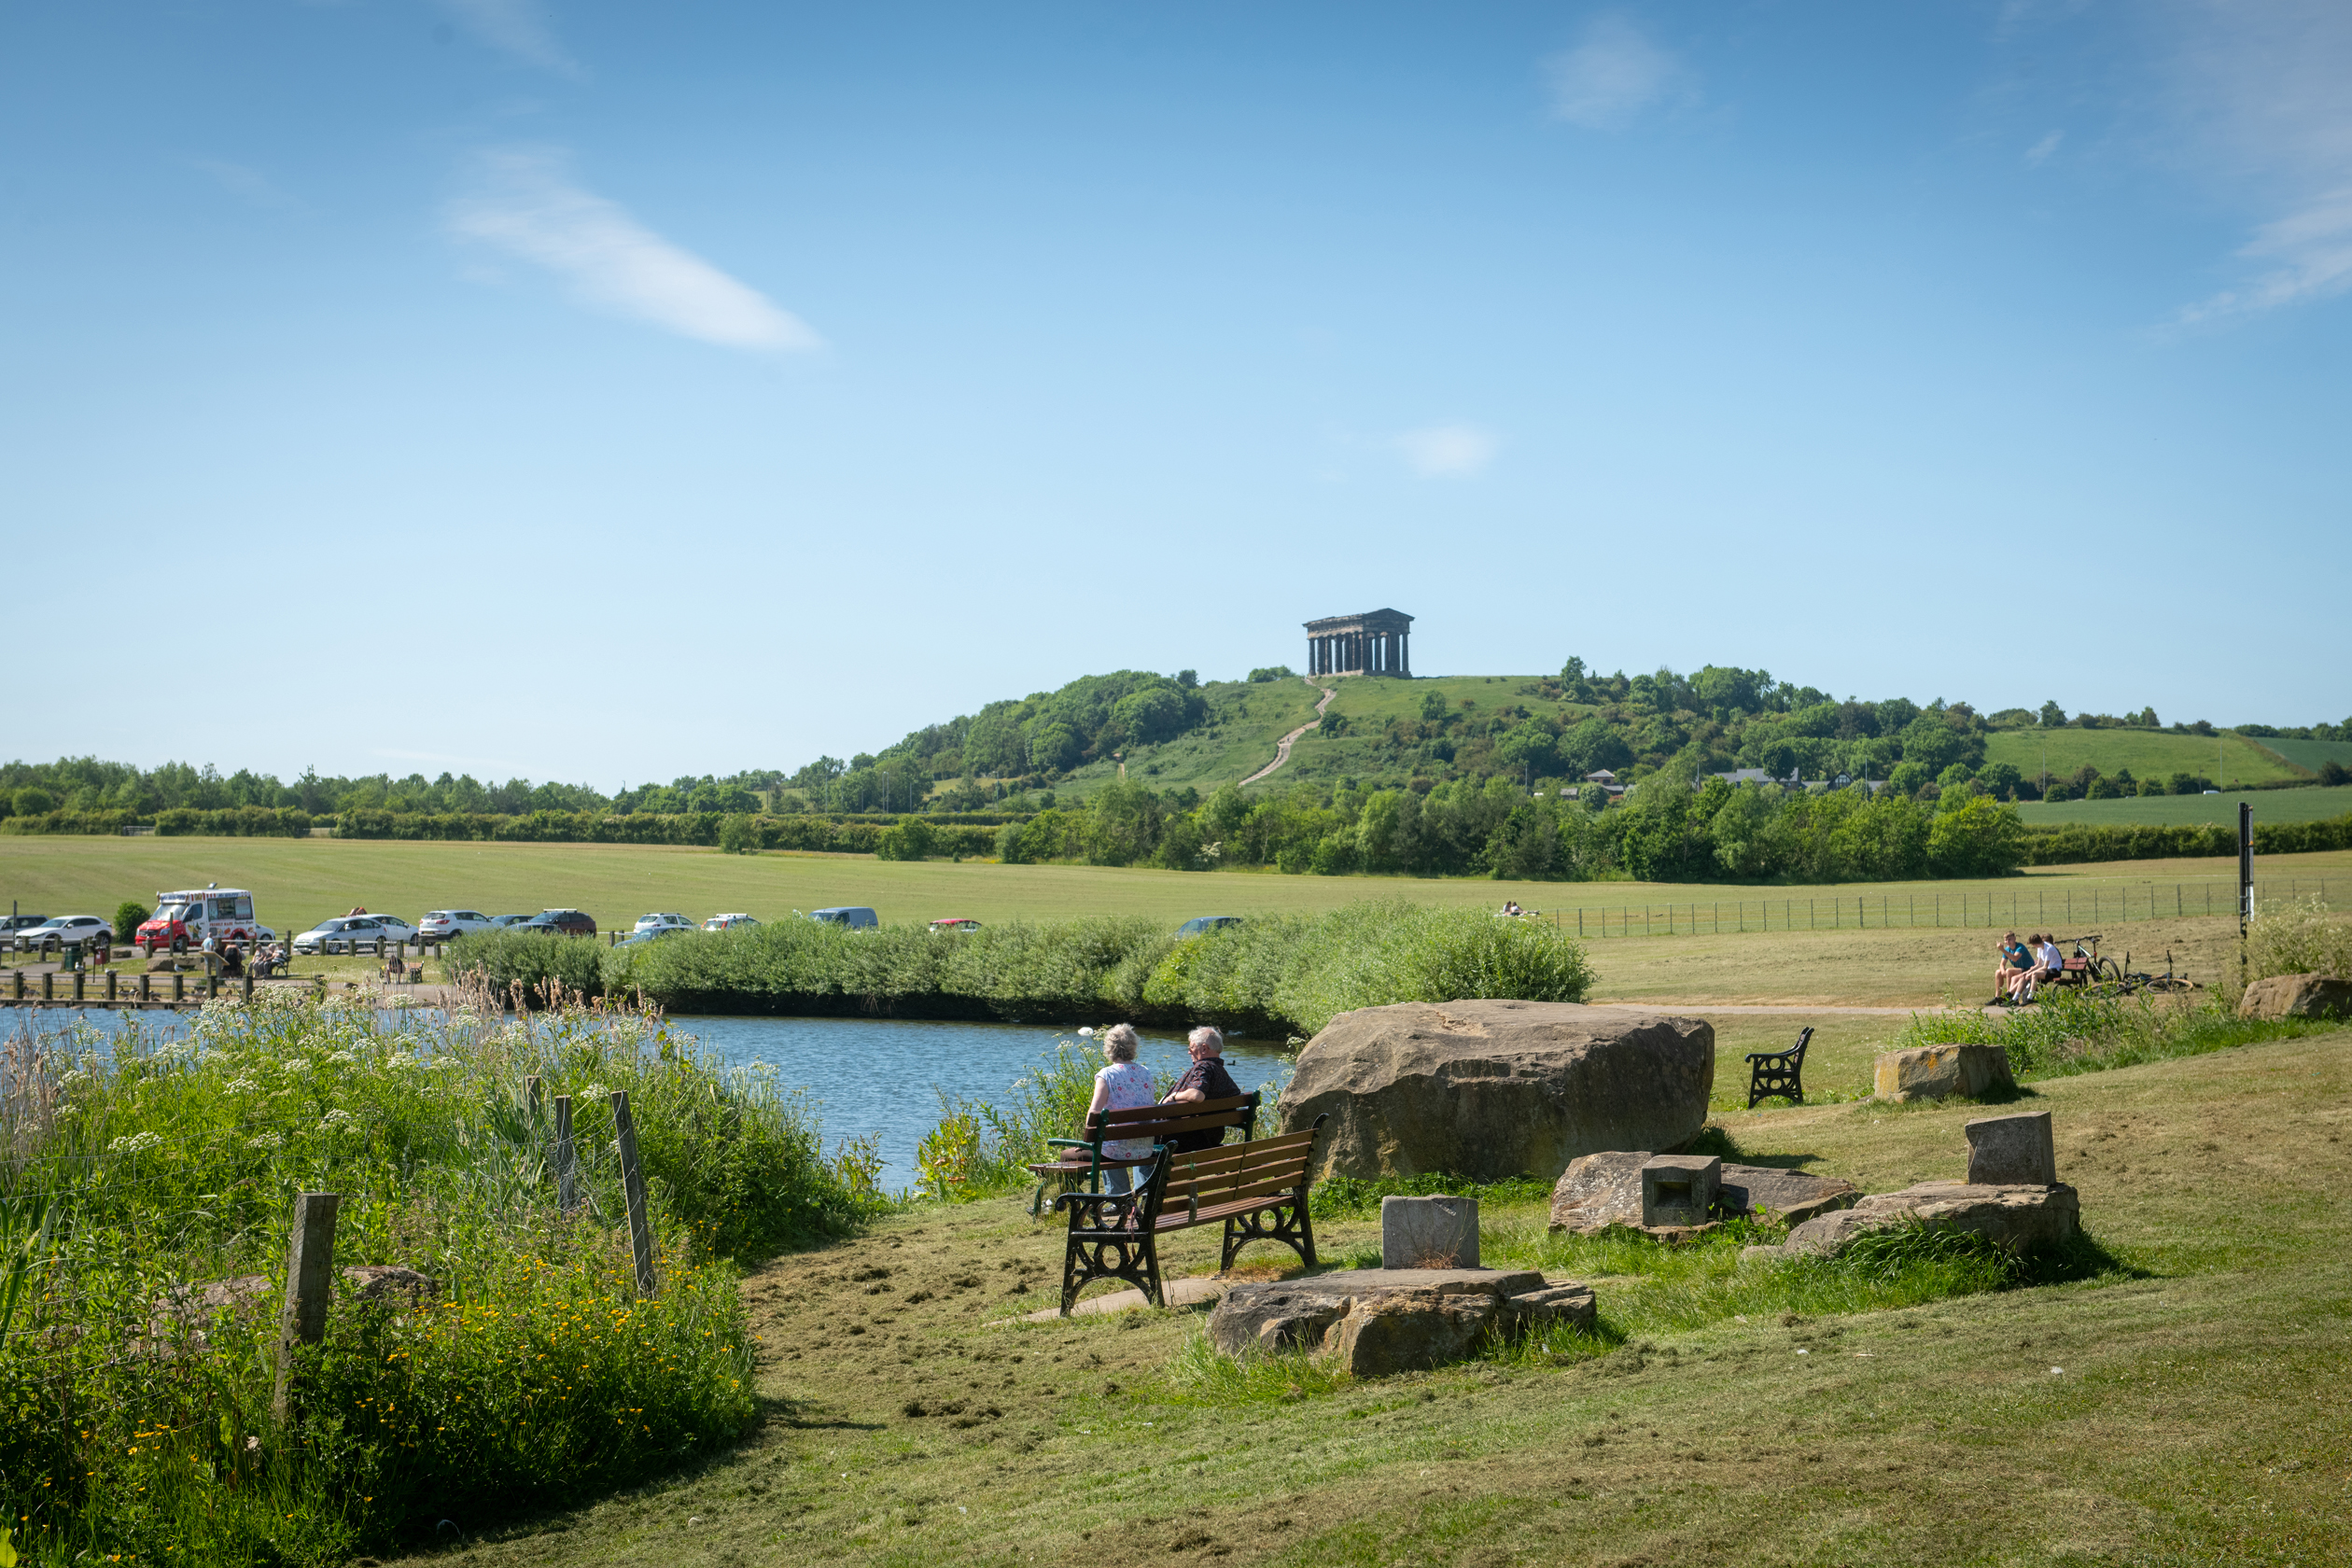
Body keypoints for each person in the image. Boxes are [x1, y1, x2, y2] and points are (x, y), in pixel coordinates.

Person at [1082, 1024, 1156, 1195]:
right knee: (1109, 1139)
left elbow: (1093, 1115)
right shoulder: (1145, 1072)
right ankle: (1138, 1195)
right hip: (1143, 1147)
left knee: (1102, 1142)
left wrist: (1086, 1136)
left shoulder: (1107, 1075)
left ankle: (1118, 1196)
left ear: (1109, 1048)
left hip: (1115, 1149)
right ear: (1133, 1047)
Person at [1161, 1026, 1243, 1154]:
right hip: (1209, 1138)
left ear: (1204, 1048)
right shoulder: (1221, 1073)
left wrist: (1174, 1096)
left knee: (1141, 1142)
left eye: (1191, 1048)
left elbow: (1196, 1095)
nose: (1189, 1052)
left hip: (1181, 1139)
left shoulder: (1203, 1067)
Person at [1993, 931, 2032, 1001]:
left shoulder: (2020, 947)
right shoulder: (2007, 949)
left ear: (2014, 939)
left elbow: (2015, 958)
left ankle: (2009, 995)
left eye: (2009, 939)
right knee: (1998, 972)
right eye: (2006, 940)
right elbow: (2002, 964)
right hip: (2018, 970)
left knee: (2009, 971)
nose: (2007, 942)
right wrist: (2003, 971)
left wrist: (2002, 950)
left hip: (2028, 969)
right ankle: (1997, 997)